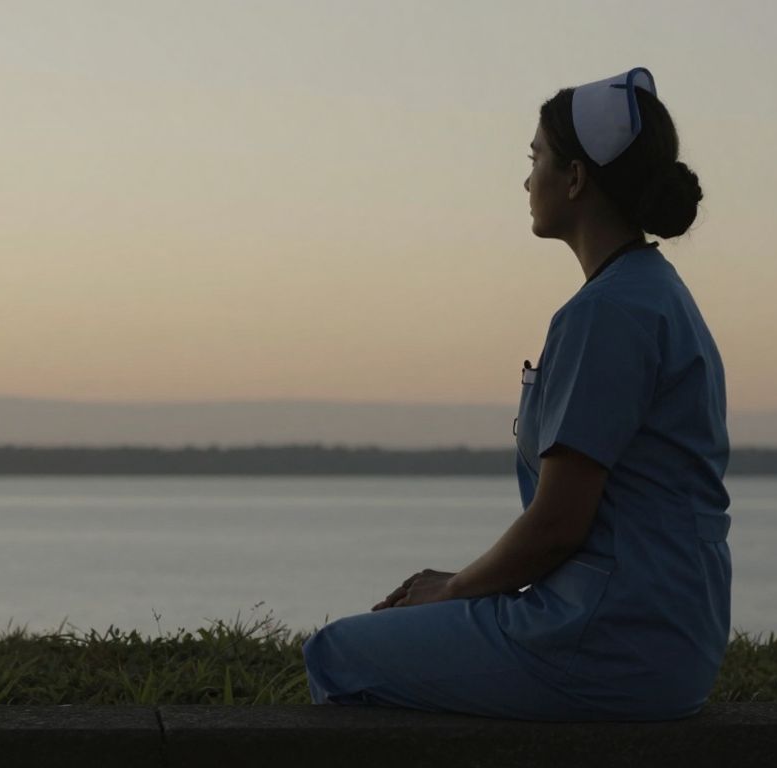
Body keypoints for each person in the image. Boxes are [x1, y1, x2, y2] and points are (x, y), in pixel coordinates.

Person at [302, 67, 732, 721]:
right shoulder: (658, 292)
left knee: (337, 655)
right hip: (670, 636)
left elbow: (558, 525)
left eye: (535, 160)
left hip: (610, 641)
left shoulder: (607, 312)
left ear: (575, 178)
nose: (527, 181)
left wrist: (454, 588)